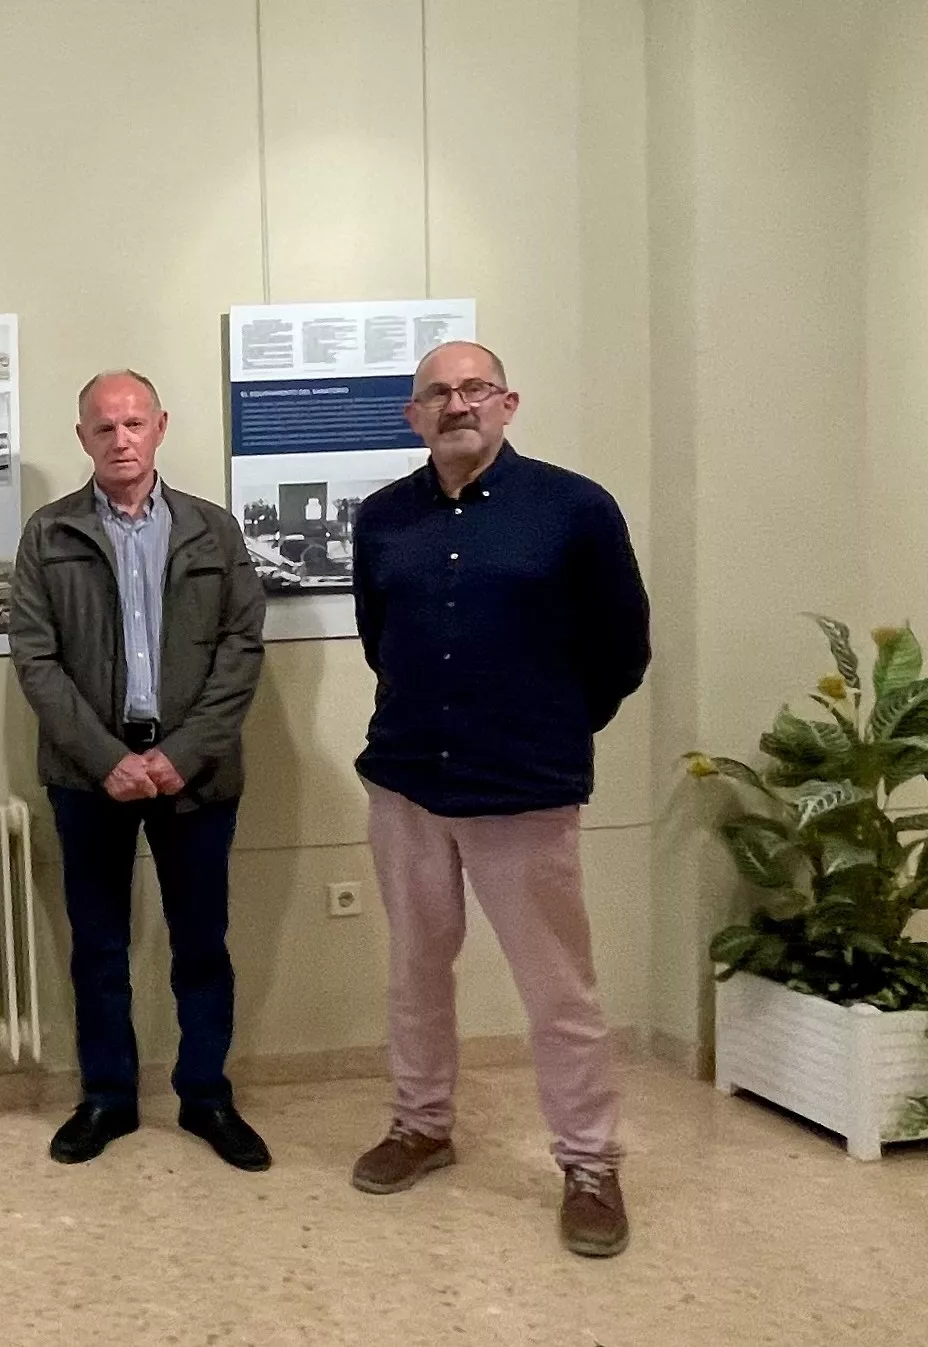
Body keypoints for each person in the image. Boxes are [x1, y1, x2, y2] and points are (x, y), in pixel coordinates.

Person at [348, 340, 650, 1258]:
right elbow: (379, 637)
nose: (456, 403)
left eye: (473, 387)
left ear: (508, 402)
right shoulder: (382, 519)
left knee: (558, 992)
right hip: (408, 784)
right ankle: (422, 1124)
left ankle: (591, 1162)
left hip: (523, 791)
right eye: (436, 393)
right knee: (415, 971)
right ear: (413, 416)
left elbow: (622, 651)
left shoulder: (575, 509)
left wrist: (545, 726)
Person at [10, 369, 270, 1172]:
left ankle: (207, 1096)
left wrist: (178, 755)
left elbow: (241, 651)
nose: (120, 440)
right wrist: (110, 760)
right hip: (90, 776)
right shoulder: (48, 534)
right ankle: (108, 1098)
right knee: (99, 945)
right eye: (103, 428)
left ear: (160, 426)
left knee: (201, 943)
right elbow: (36, 657)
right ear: (82, 437)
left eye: (133, 424)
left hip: (196, 772)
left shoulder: (212, 530)